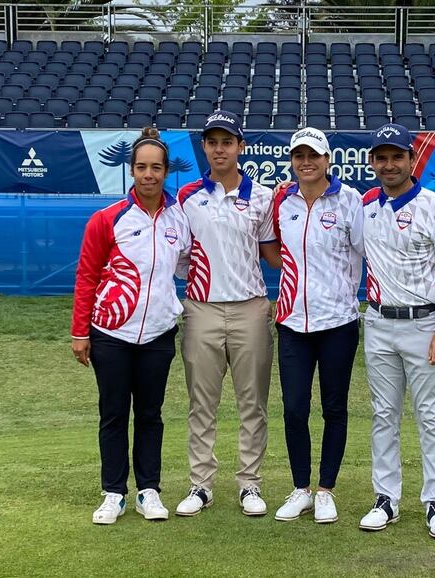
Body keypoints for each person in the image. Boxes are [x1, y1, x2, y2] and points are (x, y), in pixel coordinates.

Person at [71, 127, 191, 525]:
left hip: (158, 333)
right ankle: (113, 493)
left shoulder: (180, 217)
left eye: (156, 167)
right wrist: (80, 332)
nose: (149, 175)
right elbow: (87, 276)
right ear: (131, 170)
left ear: (166, 171)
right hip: (111, 335)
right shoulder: (107, 219)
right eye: (141, 167)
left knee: (151, 414)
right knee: (113, 413)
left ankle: (149, 491)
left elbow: (187, 264)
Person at [358, 123, 435, 540]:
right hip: (379, 322)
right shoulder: (365, 205)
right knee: (384, 415)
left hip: (425, 324)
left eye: (396, 156)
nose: (389, 165)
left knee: (430, 416)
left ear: (410, 159)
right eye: (381, 158)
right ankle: (386, 498)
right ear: (372, 162)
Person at [175, 110, 280, 517]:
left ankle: (249, 484)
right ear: (204, 146)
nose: (220, 149)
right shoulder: (187, 197)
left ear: (240, 147)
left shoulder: (263, 196)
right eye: (212, 142)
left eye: (227, 142)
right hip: (200, 309)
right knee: (202, 403)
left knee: (252, 403)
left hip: (251, 310)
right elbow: (179, 255)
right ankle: (200, 484)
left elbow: (272, 254)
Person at [271, 127, 364, 524]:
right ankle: (300, 489)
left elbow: (365, 252)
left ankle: (326, 489)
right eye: (298, 155)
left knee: (334, 408)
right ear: (292, 160)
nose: (305, 162)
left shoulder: (349, 200)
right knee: (294, 409)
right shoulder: (283, 200)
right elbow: (272, 248)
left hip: (339, 321)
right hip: (292, 321)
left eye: (313, 155)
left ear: (328, 159)